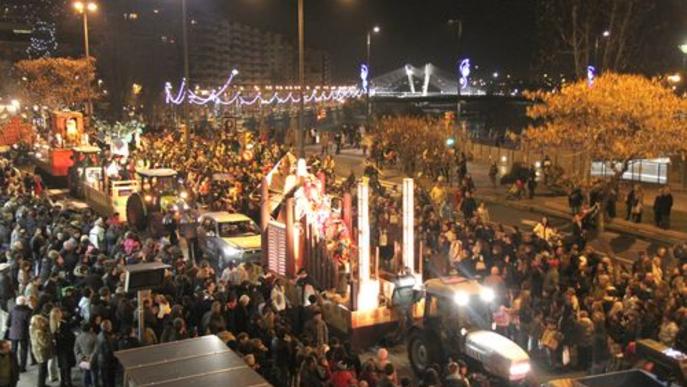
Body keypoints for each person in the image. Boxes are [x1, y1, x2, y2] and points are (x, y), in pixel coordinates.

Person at [29, 305, 54, 387]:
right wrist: (49, 335)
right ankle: (41, 384)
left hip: (37, 351)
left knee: (42, 370)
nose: (44, 323)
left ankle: (42, 384)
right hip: (41, 353)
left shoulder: (32, 328)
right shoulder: (39, 332)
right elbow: (45, 343)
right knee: (42, 370)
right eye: (42, 321)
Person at [51, 307, 75, 387]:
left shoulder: (51, 324)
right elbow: (70, 336)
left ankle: (62, 382)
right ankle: (68, 382)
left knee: (62, 366)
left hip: (59, 348)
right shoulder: (64, 324)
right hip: (66, 348)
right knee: (67, 366)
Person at [6, 296, 30, 373]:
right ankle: (22, 367)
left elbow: (8, 323)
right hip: (23, 333)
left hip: (13, 333)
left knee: (13, 350)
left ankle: (13, 366)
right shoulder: (27, 311)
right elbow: (29, 323)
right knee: (23, 350)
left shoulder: (12, 310)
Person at [93, 320, 117, 387]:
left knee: (105, 380)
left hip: (102, 361)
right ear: (107, 327)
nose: (111, 327)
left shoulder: (100, 335)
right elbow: (108, 351)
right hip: (108, 363)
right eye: (110, 326)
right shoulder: (106, 338)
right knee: (110, 381)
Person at [73, 322, 97, 387]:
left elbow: (76, 349)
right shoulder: (94, 336)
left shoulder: (78, 337)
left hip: (83, 360)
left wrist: (82, 357)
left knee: (85, 375)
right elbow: (96, 349)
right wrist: (90, 357)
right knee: (94, 376)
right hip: (92, 360)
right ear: (90, 328)